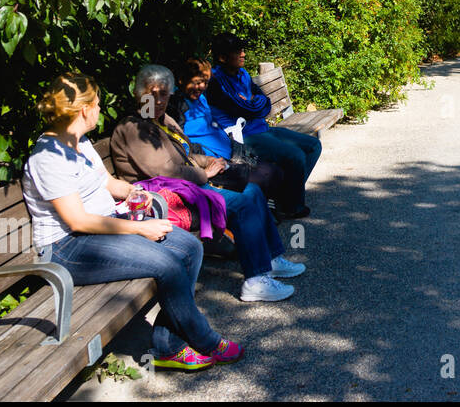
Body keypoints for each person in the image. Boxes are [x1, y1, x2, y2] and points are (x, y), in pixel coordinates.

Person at [22, 73, 242, 371]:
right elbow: (78, 221)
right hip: (67, 249)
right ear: (84, 109)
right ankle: (206, 340)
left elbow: (108, 183)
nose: (100, 109)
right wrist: (139, 227)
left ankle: (167, 347)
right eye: (97, 104)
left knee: (190, 246)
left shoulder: (79, 143)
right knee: (167, 264)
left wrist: (136, 192)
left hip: (102, 228)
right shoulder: (48, 157)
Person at [113, 65, 306, 302]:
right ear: (139, 94)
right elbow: (165, 171)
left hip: (185, 187)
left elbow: (186, 153)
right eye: (152, 94)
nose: (159, 100)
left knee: (253, 190)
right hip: (165, 198)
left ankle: (271, 259)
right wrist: (205, 173)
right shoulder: (135, 128)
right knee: (243, 202)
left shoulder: (162, 120)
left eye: (164, 94)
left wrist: (211, 161)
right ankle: (255, 281)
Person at [207, 33, 320, 222]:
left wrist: (252, 103)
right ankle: (290, 207)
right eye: (238, 51)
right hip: (242, 136)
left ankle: (284, 197)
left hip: (261, 128)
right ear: (222, 57)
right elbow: (241, 108)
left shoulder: (242, 74)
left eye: (243, 49)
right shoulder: (215, 81)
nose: (243, 54)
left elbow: (264, 104)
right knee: (295, 155)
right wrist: (252, 104)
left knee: (312, 146)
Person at [172, 58, 303, 218]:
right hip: (211, 161)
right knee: (266, 175)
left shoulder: (200, 98)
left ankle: (263, 212)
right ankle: (256, 215)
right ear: (182, 80)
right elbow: (179, 144)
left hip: (230, 150)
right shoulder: (177, 107)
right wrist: (206, 161)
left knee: (275, 172)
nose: (202, 87)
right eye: (197, 82)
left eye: (205, 83)